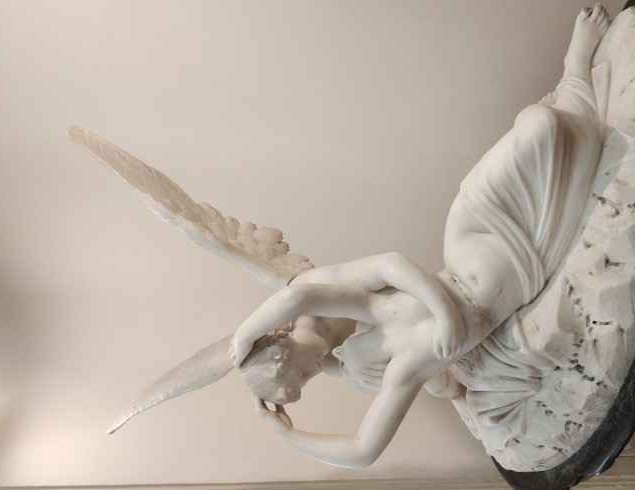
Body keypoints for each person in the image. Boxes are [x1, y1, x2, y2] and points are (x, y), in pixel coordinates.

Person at [227, 4, 609, 469]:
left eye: (303, 373)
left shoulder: (377, 311)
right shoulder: (409, 368)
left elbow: (299, 296)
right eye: (310, 379)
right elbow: (363, 451)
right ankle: (577, 76)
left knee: (539, 125)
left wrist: (245, 335)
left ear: (285, 348)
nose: (321, 370)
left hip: (471, 235)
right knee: (560, 139)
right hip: (519, 271)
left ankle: (573, 69)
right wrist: (286, 435)